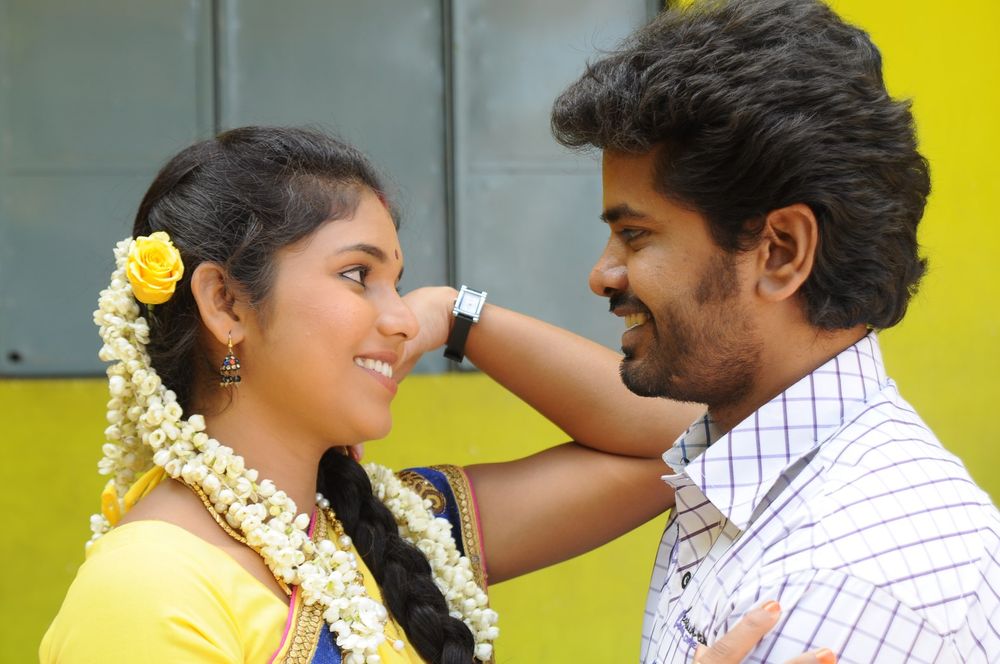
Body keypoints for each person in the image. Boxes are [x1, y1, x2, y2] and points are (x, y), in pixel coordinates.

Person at [39, 126, 833, 664]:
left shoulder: (390, 531)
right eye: (357, 275)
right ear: (225, 304)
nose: (396, 317)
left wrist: (457, 315)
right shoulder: (151, 587)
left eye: (400, 282)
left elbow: (699, 438)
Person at [535, 0, 996, 661]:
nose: (602, 274)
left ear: (781, 252)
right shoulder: (745, 474)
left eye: (634, 234)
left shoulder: (844, 582)